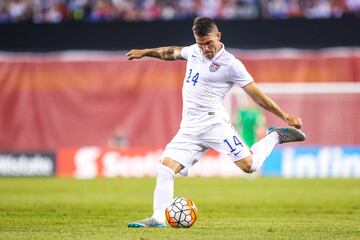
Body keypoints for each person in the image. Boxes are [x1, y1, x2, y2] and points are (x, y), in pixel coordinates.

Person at [126, 16, 306, 228]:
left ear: (218, 36)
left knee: (250, 166)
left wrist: (285, 116)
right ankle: (157, 218)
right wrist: (144, 52)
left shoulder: (231, 64)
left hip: (215, 125)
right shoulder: (194, 50)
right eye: (201, 44)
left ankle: (274, 136)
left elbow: (256, 95)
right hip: (189, 127)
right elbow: (170, 52)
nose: (205, 49)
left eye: (209, 43)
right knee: (165, 169)